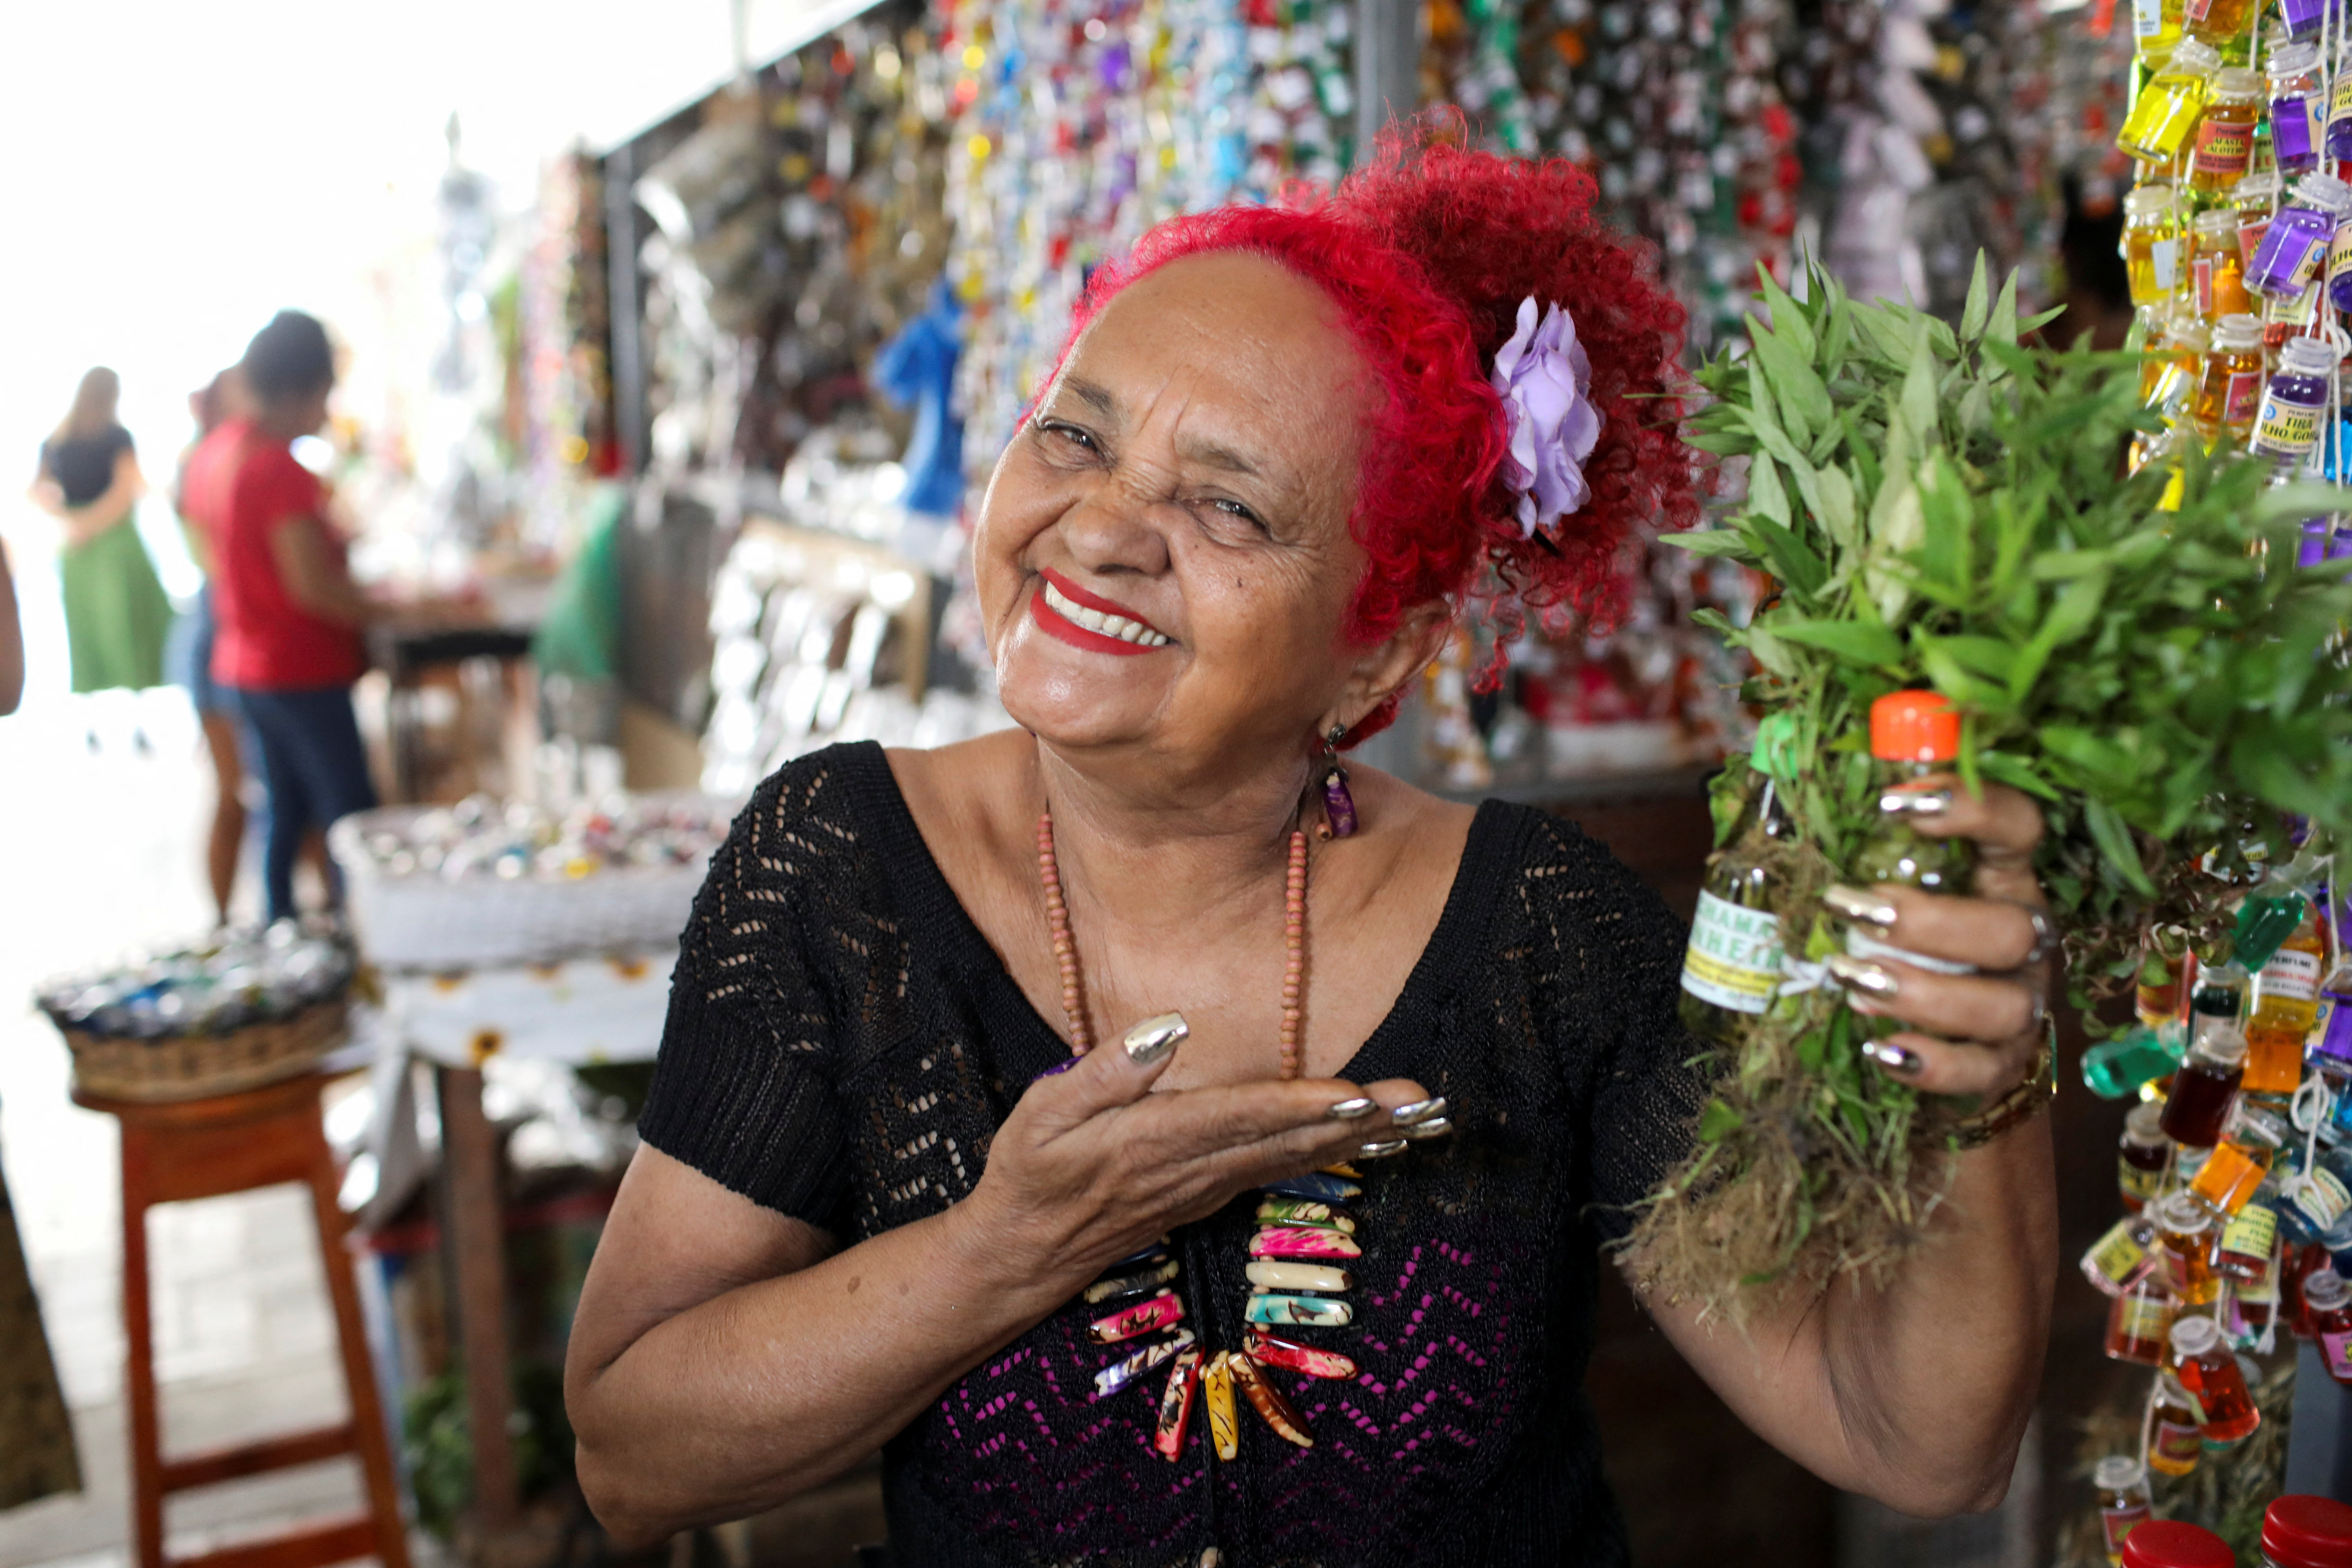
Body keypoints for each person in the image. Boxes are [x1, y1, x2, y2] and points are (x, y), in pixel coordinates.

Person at [565, 126, 2060, 1567]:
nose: (1100, 526)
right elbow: (635, 1454)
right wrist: (1005, 1246)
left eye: (1225, 502)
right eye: (1075, 433)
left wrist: (1976, 1078)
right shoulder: (835, 872)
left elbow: (1915, 1440)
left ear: (1373, 658)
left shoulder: (1542, 932)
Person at [180, 312, 381, 925]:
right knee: (351, 821)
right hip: (296, 666)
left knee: (285, 815)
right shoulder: (278, 469)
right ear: (305, 388)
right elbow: (311, 588)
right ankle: (366, 944)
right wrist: (400, 607)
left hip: (245, 662)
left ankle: (280, 938)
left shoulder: (218, 453)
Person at [27, 367, 174, 745]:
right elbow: (129, 488)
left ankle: (107, 723)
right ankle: (128, 722)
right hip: (108, 544)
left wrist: (75, 521)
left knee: (101, 630)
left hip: (81, 543)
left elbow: (40, 491)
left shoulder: (61, 441)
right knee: (120, 630)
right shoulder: (106, 437)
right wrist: (83, 522)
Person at [167, 368, 257, 924]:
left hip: (224, 629)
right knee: (232, 797)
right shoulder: (221, 459)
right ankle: (222, 924)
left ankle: (230, 922)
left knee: (244, 797)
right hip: (221, 632)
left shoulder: (217, 457)